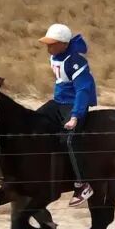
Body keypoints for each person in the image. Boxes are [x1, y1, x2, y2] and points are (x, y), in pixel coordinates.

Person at [37, 23, 98, 207]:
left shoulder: (76, 62)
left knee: (69, 140)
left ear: (64, 44)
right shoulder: (55, 57)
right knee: (33, 122)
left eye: (52, 44)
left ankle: (82, 185)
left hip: (74, 105)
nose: (48, 47)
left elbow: (83, 90)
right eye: (47, 43)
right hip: (58, 102)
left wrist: (75, 116)